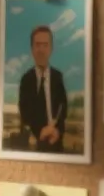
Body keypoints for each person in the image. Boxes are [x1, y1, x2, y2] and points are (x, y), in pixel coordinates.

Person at [16, 25, 71, 153]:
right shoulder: (26, 80)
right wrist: (41, 130)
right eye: (37, 45)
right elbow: (25, 112)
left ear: (51, 49)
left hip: (55, 140)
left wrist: (56, 130)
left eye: (45, 45)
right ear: (32, 49)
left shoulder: (58, 77)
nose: (41, 50)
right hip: (33, 142)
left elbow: (63, 108)